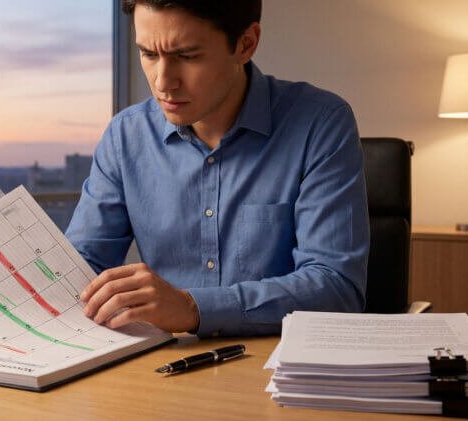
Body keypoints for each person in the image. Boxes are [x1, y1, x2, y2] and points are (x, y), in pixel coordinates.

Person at [65, 0, 369, 337]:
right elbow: (79, 269)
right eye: (149, 54)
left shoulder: (320, 124)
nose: (163, 82)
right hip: (159, 370)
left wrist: (193, 308)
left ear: (245, 44)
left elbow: (336, 287)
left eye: (187, 56)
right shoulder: (125, 136)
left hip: (274, 369)